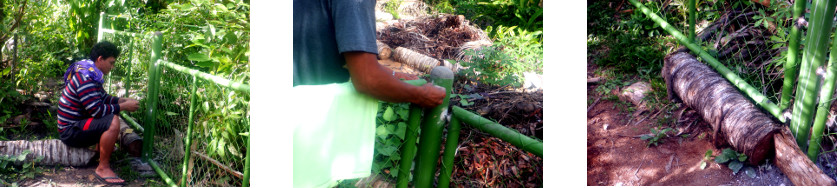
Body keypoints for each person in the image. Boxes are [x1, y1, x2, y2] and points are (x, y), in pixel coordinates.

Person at [293, 0, 445, 108]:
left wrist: (390, 74)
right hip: (311, 115)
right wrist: (421, 94)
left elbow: (322, 48)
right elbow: (367, 79)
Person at [57, 41, 140, 185]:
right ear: (100, 59)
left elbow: (103, 98)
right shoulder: (86, 78)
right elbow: (97, 110)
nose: (112, 67)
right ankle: (103, 168)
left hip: (76, 124)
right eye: (111, 62)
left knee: (111, 113)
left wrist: (120, 100)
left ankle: (100, 149)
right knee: (112, 120)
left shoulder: (90, 72)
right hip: (70, 131)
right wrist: (124, 106)